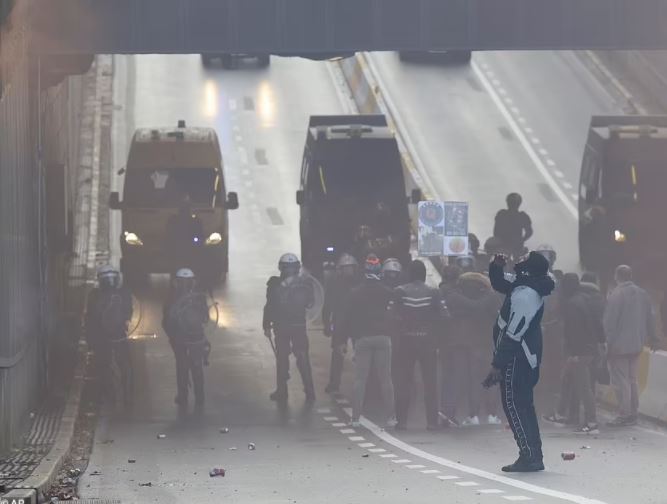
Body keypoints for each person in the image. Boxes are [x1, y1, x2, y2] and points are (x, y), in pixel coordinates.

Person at [483, 252, 555, 472]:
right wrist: (496, 267)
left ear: (528, 268)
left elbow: (513, 334)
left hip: (517, 358)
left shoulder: (525, 295)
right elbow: (501, 283)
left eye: (524, 257)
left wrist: (497, 364)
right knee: (523, 406)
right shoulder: (524, 285)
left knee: (514, 405)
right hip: (521, 357)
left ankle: (529, 456)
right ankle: (533, 454)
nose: (519, 259)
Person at [391, 260, 447, 431]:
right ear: (424, 275)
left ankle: (402, 421)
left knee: (404, 382)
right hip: (428, 343)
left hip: (406, 343)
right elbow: (445, 317)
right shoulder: (434, 293)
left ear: (409, 274)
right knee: (430, 383)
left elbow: (391, 316)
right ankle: (432, 422)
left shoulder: (399, 291)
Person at [342, 254, 396, 428]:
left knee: (360, 380)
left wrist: (344, 339)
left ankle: (355, 418)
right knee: (386, 379)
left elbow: (347, 318)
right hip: (383, 338)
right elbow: (394, 315)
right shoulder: (388, 292)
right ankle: (391, 417)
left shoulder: (354, 293)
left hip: (363, 338)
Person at [441, 271, 501, 427]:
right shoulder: (491, 298)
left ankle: (473, 415)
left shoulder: (459, 297)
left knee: (474, 380)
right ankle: (492, 415)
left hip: (472, 343)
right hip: (490, 341)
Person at [603, 265, 657, 426]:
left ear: (616, 276)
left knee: (621, 381)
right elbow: (650, 317)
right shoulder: (643, 293)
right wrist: (653, 337)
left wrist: (606, 343)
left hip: (618, 345)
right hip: (637, 344)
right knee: (632, 379)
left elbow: (609, 323)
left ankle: (624, 414)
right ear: (630, 275)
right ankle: (633, 412)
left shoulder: (616, 295)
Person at [263, 253, 316, 404]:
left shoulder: (274, 284)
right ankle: (310, 391)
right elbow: (311, 303)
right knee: (303, 357)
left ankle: (282, 391)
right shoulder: (305, 284)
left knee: (282, 358)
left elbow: (270, 306)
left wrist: (266, 325)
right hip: (298, 326)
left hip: (281, 326)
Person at [559, 273, 604, 433]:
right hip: (590, 348)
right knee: (574, 382)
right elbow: (597, 323)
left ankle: (591, 422)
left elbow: (574, 331)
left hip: (580, 351)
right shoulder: (586, 299)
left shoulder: (572, 303)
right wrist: (601, 342)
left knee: (584, 387)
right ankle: (565, 414)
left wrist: (574, 353)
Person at [85, 265, 134, 407]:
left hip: (101, 337)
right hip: (119, 335)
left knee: (103, 366)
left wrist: (90, 340)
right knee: (125, 365)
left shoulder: (94, 295)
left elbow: (90, 319)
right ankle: (127, 396)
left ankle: (110, 397)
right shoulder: (124, 293)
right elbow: (129, 313)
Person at [162, 268, 211, 410]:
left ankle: (183, 397)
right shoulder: (199, 297)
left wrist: (172, 337)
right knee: (197, 366)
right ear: (193, 282)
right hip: (197, 338)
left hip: (179, 339)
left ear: (176, 282)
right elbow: (205, 318)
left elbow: (166, 321)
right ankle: (200, 397)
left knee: (181, 367)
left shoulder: (171, 299)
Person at [322, 253, 361, 395]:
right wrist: (326, 323)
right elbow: (327, 304)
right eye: (346, 268)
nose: (349, 271)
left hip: (356, 322)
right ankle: (334, 384)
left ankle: (364, 383)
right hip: (340, 323)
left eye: (350, 268)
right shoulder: (334, 283)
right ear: (340, 269)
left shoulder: (360, 283)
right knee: (338, 355)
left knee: (361, 354)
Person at [166, 194, 204, 273]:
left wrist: (198, 241)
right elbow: (169, 234)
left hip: (192, 248)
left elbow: (200, 234)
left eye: (186, 208)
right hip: (177, 249)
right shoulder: (173, 220)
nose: (185, 210)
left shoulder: (195, 221)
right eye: (183, 208)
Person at [493, 193, 533, 260]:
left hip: (506, 245)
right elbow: (529, 232)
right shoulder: (522, 216)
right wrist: (522, 240)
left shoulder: (502, 214)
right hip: (510, 245)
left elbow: (495, 231)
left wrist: (521, 240)